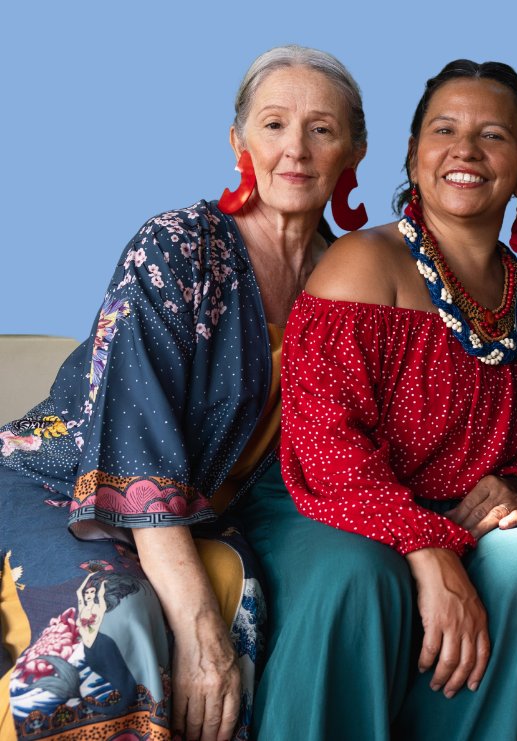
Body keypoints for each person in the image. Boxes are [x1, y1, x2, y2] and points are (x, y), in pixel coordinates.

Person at [0, 44, 365, 741]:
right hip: (55, 479)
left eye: (321, 128)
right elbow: (133, 446)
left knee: (247, 602)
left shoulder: (348, 278)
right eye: (274, 124)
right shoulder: (176, 247)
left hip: (197, 516)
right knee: (116, 615)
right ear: (238, 141)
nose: (296, 149)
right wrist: (198, 631)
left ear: (354, 148)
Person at [251, 59, 517, 741]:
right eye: (444, 129)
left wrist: (513, 484)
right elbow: (323, 441)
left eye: (494, 136)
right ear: (413, 152)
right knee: (363, 577)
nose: (466, 150)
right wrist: (427, 548)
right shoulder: (365, 265)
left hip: (450, 509)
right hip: (329, 500)